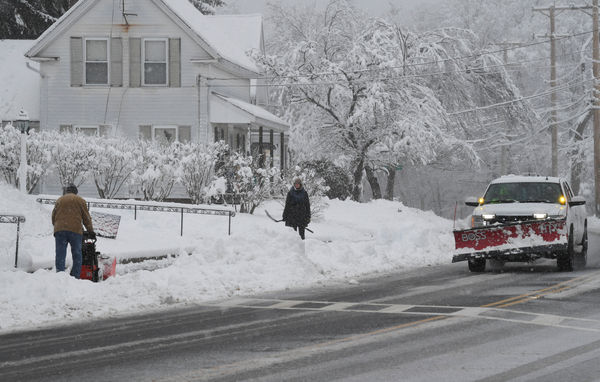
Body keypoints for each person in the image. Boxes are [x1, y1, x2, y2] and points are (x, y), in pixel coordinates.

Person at [52, 184, 95, 279]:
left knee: (60, 254)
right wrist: (90, 231)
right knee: (77, 254)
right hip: (75, 231)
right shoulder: (80, 200)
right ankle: (75, 276)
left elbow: (53, 216)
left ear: (67, 191)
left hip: (60, 230)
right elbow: (86, 218)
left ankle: (60, 276)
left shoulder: (60, 200)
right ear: (76, 192)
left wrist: (58, 226)